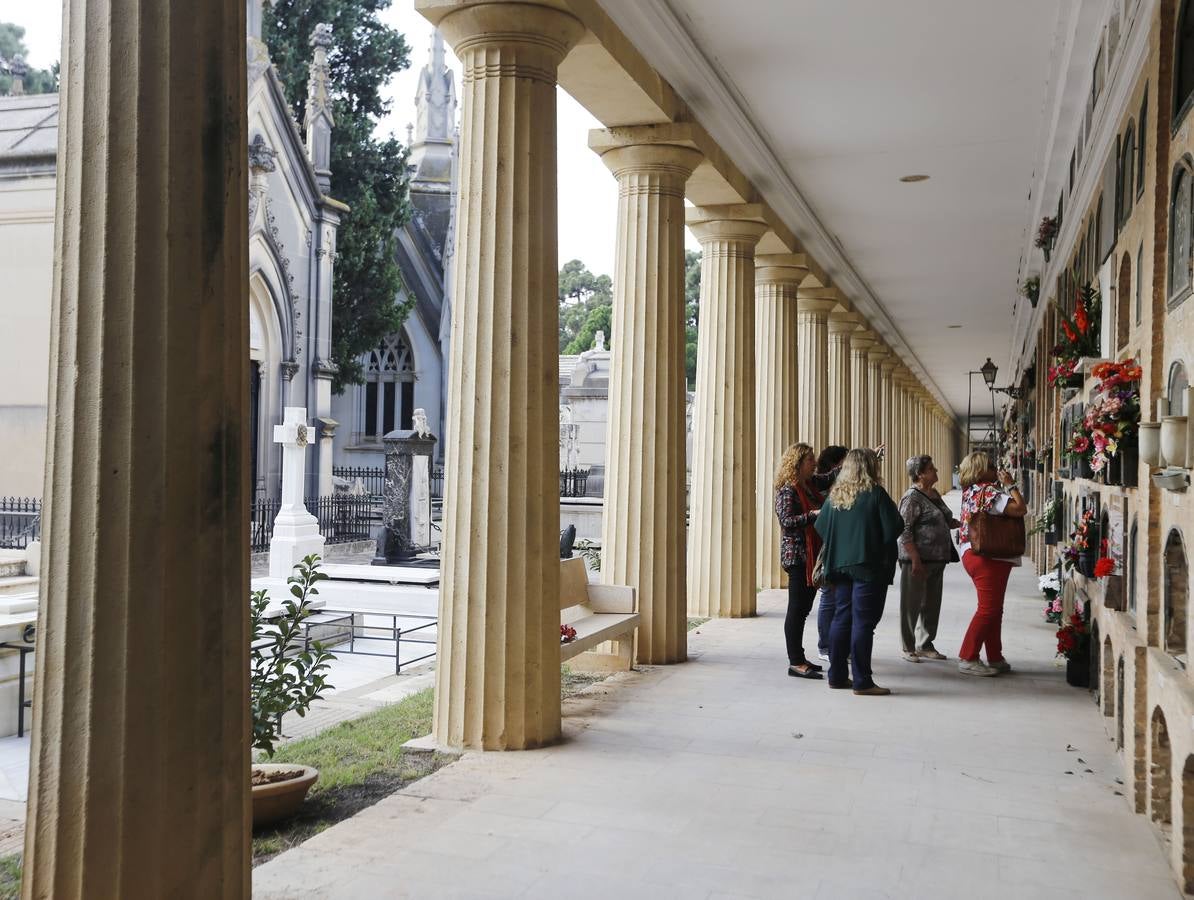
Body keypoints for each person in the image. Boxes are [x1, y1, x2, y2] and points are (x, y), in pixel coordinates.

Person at [814, 448, 903, 696]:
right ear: (870, 467)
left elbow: (821, 527)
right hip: (868, 566)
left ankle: (837, 675)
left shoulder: (835, 496)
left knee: (842, 618)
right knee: (863, 622)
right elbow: (895, 526)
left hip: (838, 566)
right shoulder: (875, 494)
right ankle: (862, 680)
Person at [956, 451, 1028, 677]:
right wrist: (1011, 484)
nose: (996, 468)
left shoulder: (970, 491)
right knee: (988, 610)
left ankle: (995, 656)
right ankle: (968, 656)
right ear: (981, 470)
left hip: (975, 553)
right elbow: (1019, 509)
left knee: (994, 609)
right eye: (991, 465)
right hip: (987, 556)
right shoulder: (988, 491)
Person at [898, 455, 961, 663]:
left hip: (937, 558)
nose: (936, 471)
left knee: (931, 603)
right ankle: (908, 646)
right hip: (917, 559)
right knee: (911, 604)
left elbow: (941, 516)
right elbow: (904, 530)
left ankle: (925, 643)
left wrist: (954, 523)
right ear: (920, 474)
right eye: (931, 469)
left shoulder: (932, 493)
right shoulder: (912, 497)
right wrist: (915, 558)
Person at [775, 443, 826, 679]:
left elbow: (831, 477)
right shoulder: (788, 490)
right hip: (797, 556)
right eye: (809, 460)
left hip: (810, 555)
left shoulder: (809, 487)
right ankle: (795, 661)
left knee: (803, 609)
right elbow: (786, 520)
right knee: (796, 609)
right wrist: (812, 516)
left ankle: (800, 656)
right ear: (797, 463)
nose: (814, 463)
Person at [814, 445, 849, 660]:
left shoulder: (835, 483)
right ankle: (825, 646)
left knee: (837, 598)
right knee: (828, 596)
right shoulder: (825, 485)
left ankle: (836, 644)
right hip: (828, 546)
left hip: (839, 545)